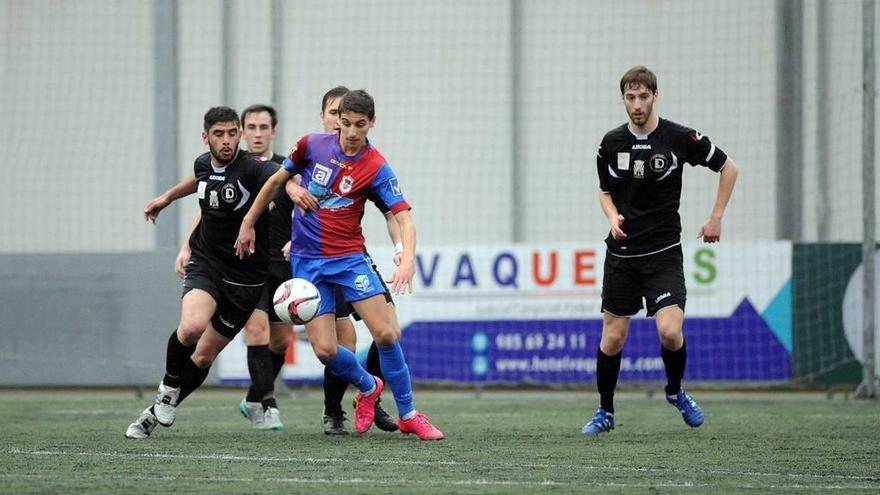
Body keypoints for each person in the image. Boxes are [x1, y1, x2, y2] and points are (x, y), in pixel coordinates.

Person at [235, 89, 444, 441]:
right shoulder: (311, 146)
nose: (350, 132)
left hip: (349, 259)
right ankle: (368, 385)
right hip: (308, 263)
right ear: (336, 120)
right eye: (345, 123)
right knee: (326, 350)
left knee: (388, 333)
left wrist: (406, 258)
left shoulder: (376, 165)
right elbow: (275, 181)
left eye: (359, 125)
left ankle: (409, 413)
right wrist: (247, 223)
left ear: (371, 123)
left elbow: (403, 216)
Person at [582, 66, 739, 436]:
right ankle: (605, 411)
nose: (637, 105)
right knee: (612, 338)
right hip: (622, 255)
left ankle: (674, 390)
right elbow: (604, 190)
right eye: (630, 97)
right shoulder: (610, 143)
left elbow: (729, 168)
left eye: (643, 97)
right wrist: (611, 217)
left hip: (663, 252)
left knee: (670, 332)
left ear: (655, 96)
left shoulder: (679, 138)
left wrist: (716, 217)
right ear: (622, 99)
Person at [125, 106, 279, 439]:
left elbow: (281, 179)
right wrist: (166, 197)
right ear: (205, 136)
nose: (227, 141)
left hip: (246, 280)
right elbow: (199, 180)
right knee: (192, 326)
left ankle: (157, 411)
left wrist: (285, 198)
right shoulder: (202, 163)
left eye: (232, 133)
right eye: (219, 134)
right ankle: (167, 389)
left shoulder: (254, 167)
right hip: (208, 263)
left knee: (205, 354)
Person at [314, 86, 400, 435]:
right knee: (340, 342)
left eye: (349, 119)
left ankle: (370, 395)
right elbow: (283, 195)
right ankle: (333, 411)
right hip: (318, 258)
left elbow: (393, 213)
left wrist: (400, 251)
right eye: (335, 115)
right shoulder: (311, 154)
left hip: (354, 256)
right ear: (324, 117)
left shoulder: (368, 161)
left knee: (389, 332)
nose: (343, 126)